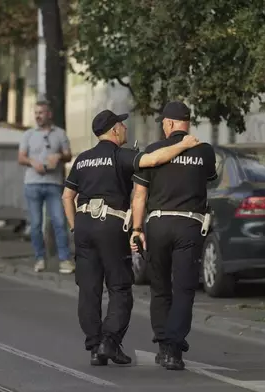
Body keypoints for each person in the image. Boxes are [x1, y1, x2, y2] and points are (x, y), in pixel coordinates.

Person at [62, 109, 200, 366]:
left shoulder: (82, 159)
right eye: (122, 125)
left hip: (82, 226)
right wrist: (184, 144)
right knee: (119, 287)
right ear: (114, 130)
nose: (126, 128)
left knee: (89, 289)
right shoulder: (121, 156)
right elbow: (154, 160)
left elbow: (67, 197)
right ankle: (109, 341)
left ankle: (94, 347)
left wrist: (74, 227)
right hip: (110, 224)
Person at [130, 101, 218, 371]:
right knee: (184, 289)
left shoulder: (153, 151)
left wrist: (136, 229)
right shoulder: (204, 151)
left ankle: (163, 345)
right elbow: (209, 180)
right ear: (187, 123)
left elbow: (140, 196)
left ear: (168, 124)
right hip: (189, 225)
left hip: (157, 224)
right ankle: (174, 351)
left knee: (160, 287)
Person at [18, 101, 74, 274]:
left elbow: (68, 155)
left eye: (41, 112)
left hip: (54, 183)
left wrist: (58, 156)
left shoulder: (60, 134)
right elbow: (21, 158)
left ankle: (64, 260)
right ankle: (39, 258)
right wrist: (33, 162)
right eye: (36, 113)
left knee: (59, 221)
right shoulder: (28, 134)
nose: (38, 116)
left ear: (49, 114)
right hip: (33, 183)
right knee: (35, 224)